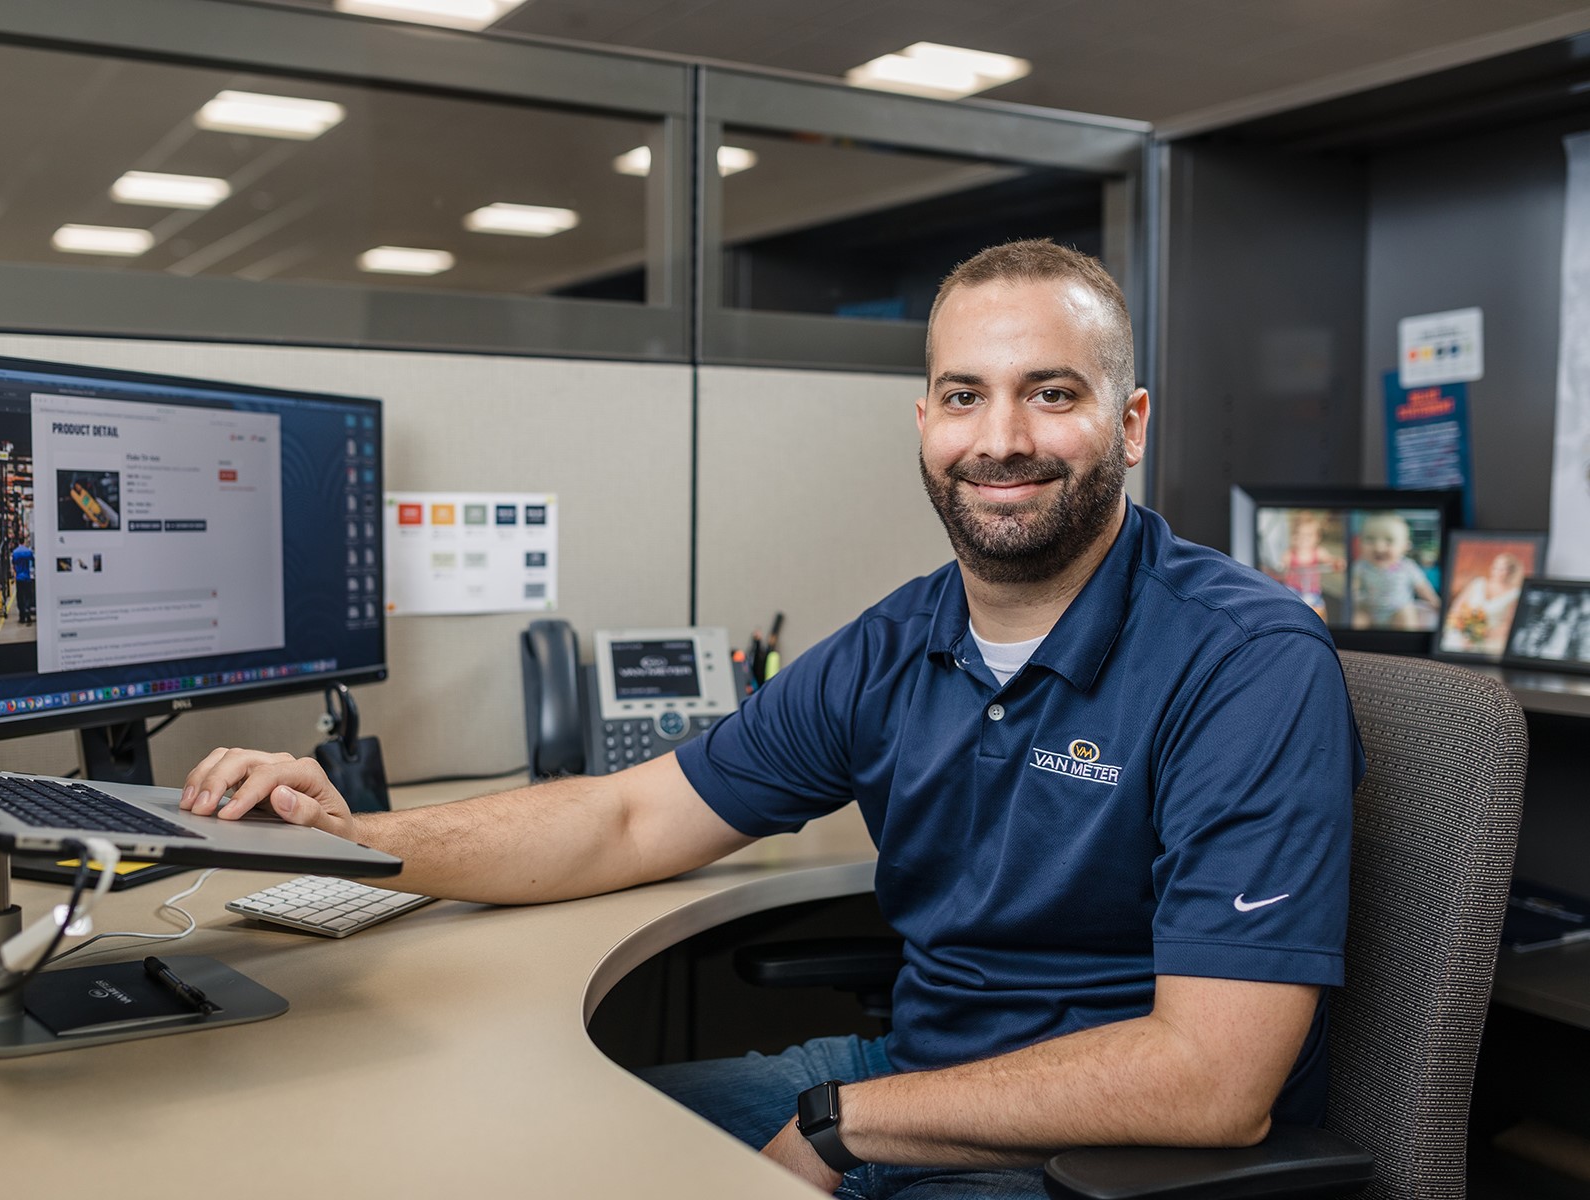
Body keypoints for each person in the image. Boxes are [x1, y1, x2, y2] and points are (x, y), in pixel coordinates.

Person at [182, 240, 1360, 1200]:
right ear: (925, 424)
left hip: (1102, 1159)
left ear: (1132, 423)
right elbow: (632, 818)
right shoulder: (899, 644)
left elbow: (1212, 1079)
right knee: (512, 1145)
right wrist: (364, 840)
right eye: (966, 396)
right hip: (911, 1074)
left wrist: (852, 1129)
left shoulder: (1244, 662)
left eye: (1052, 395)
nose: (1001, 437)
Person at [1350, 512, 1441, 630]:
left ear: (1405, 546)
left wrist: (1435, 602)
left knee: (1407, 615)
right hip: (1370, 609)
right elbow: (1353, 586)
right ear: (1360, 542)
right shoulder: (1361, 566)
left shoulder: (1408, 567)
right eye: (1370, 539)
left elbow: (1422, 587)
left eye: (1389, 541)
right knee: (1357, 618)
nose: (1379, 547)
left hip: (1397, 610)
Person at [1438, 551, 1525, 655]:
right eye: (1495, 567)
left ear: (1510, 572)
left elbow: (1508, 624)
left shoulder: (1514, 594)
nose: (1497, 571)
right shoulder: (1478, 583)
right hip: (1461, 633)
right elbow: (1457, 607)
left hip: (1491, 639)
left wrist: (1479, 636)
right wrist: (1462, 630)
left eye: (1502, 569)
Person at [10, 538, 36, 624]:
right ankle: (27, 610)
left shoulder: (15, 552)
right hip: (27, 577)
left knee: (20, 596)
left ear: (18, 542)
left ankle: (22, 616)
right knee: (28, 596)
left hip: (19, 578)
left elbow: (13, 564)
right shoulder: (28, 552)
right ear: (24, 542)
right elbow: (33, 560)